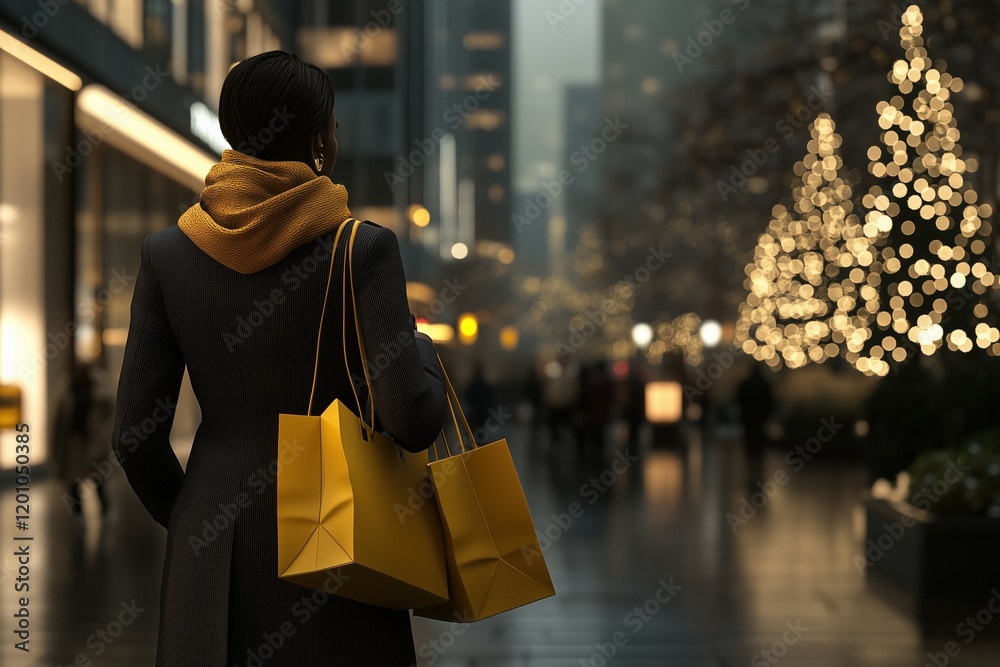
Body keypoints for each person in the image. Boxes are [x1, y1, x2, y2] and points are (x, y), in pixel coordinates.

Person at [110, 51, 448, 667]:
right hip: (342, 544)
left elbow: (136, 435)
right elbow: (410, 416)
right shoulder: (361, 249)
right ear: (320, 140)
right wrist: (422, 350)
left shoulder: (170, 254)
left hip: (210, 558)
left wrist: (196, 516)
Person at [54, 360, 114, 516]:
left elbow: (107, 414)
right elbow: (60, 419)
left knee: (97, 477)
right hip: (74, 440)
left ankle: (104, 508)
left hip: (92, 440)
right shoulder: (68, 390)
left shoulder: (98, 390)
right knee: (73, 478)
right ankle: (78, 511)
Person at [736, 364, 775, 481]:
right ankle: (758, 455)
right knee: (759, 435)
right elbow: (770, 400)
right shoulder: (765, 384)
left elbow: (739, 399)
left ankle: (750, 455)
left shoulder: (745, 384)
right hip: (760, 416)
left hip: (748, 416)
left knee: (749, 435)